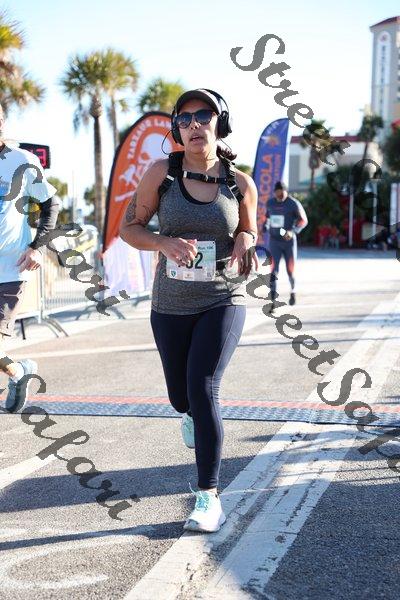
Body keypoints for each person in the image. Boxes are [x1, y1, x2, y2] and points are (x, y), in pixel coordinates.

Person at [119, 88, 259, 533]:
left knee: (203, 388)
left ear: (221, 123)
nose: (194, 124)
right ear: (177, 129)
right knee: (181, 398)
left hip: (223, 297)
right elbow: (129, 229)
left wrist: (246, 240)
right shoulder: (161, 174)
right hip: (171, 304)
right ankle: (190, 414)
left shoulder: (240, 183)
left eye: (204, 115)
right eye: (185, 118)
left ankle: (208, 497)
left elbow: (250, 229)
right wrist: (162, 242)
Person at [0, 102, 59, 412]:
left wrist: (37, 246)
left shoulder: (21, 161)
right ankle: (18, 372)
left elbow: (51, 204)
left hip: (9, 270)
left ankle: (18, 372)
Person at [264, 181, 307, 311]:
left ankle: (293, 291)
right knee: (273, 271)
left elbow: (303, 220)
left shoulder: (293, 203)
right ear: (274, 193)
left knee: (290, 270)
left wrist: (293, 231)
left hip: (288, 241)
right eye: (278, 194)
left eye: (282, 194)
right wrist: (265, 226)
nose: (280, 196)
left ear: (286, 192)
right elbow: (267, 218)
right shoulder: (270, 203)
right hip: (274, 241)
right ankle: (273, 301)